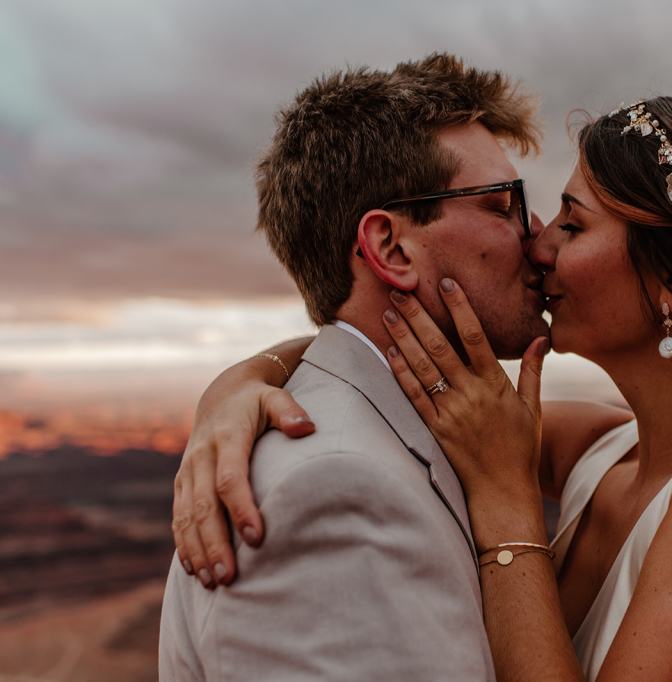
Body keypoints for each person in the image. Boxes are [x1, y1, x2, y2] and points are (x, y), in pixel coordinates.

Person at [174, 92, 672, 680]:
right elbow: (386, 378)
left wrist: (505, 505)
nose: (538, 244)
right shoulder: (606, 450)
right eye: (524, 212)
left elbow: (476, 443)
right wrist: (239, 385)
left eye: (573, 224)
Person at [158, 53, 555, 681]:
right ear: (392, 247)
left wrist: (248, 373)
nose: (537, 236)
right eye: (502, 203)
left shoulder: (444, 428)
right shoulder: (335, 489)